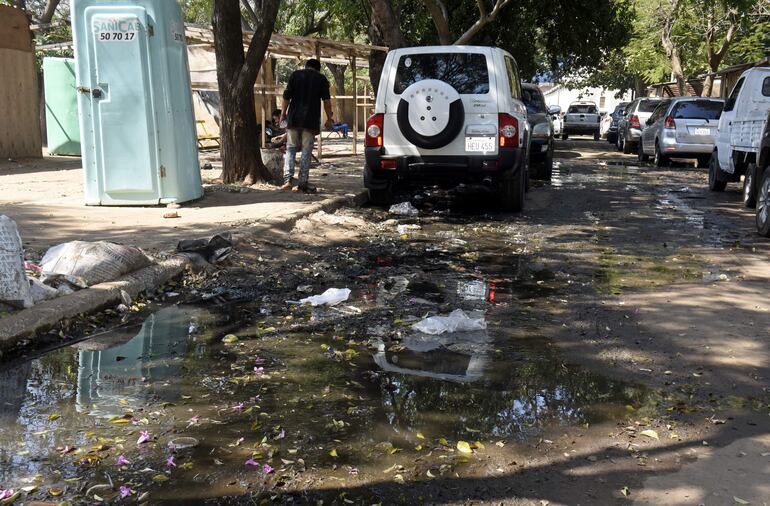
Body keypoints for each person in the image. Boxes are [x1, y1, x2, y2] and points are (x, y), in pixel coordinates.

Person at [280, 59, 334, 193]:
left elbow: (286, 96)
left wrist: (283, 114)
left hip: (294, 119)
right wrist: (329, 118)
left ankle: (287, 180)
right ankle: (302, 183)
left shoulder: (295, 75)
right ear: (318, 69)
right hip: (310, 121)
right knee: (306, 151)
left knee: (291, 149)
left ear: (306, 66)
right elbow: (326, 101)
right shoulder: (321, 79)